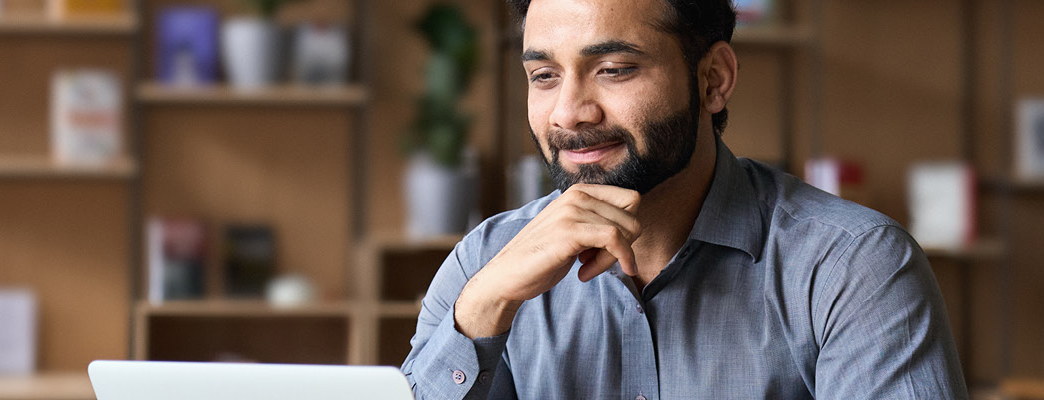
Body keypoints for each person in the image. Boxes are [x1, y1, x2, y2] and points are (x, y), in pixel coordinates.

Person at [400, 0, 968, 398]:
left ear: (713, 79)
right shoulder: (484, 265)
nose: (569, 112)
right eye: (544, 75)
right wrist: (481, 311)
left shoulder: (852, 265)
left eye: (614, 69)